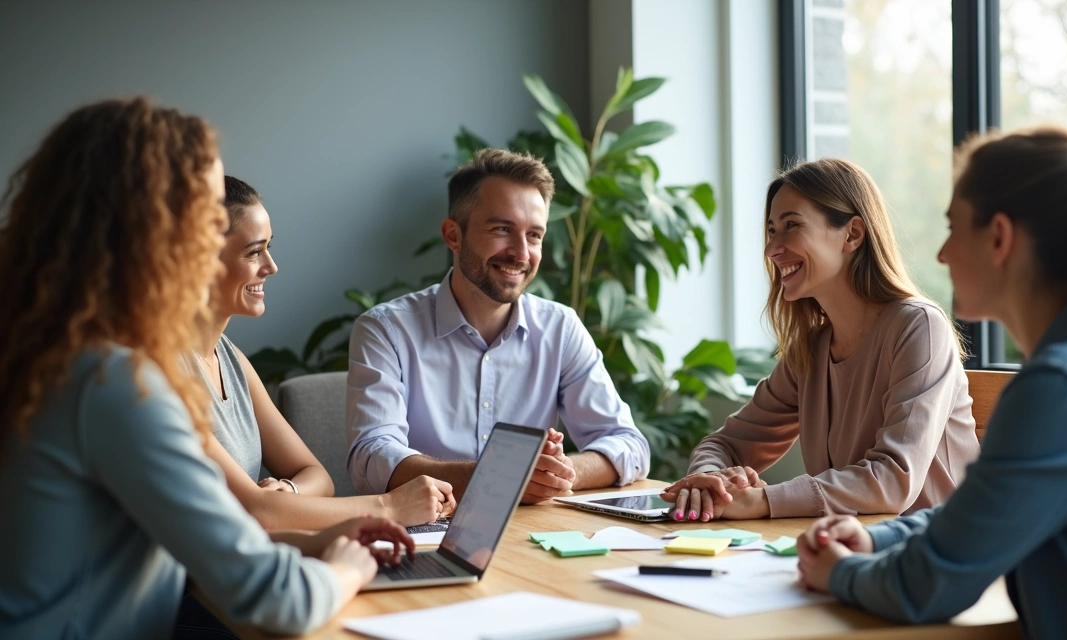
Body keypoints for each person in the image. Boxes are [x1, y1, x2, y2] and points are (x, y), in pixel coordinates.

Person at [0, 98, 412, 639]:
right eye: (205, 219)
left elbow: (190, 549)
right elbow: (274, 600)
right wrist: (349, 568)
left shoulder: (48, 357)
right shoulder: (114, 383)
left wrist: (321, 540)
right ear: (154, 232)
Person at [797, 128, 1067, 637]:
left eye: (954, 228)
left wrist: (838, 573)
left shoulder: (1063, 389)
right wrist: (880, 541)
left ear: (999, 237)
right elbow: (989, 509)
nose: (942, 254)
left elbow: (929, 584)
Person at [661, 158, 979, 522]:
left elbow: (893, 480)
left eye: (791, 226)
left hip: (939, 561)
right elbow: (725, 443)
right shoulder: (811, 350)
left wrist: (762, 502)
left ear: (853, 234)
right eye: (771, 231)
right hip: (849, 551)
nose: (772, 249)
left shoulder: (918, 327)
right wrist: (711, 478)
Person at [346, 148, 650, 502]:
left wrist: (555, 474)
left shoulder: (560, 328)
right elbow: (371, 459)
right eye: (502, 229)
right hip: (426, 533)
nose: (521, 253)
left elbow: (629, 444)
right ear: (453, 236)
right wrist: (497, 475)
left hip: (533, 536)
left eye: (534, 235)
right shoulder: (386, 330)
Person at [195, 175, 454, 530]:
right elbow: (257, 512)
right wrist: (391, 507)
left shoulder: (232, 359)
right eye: (254, 251)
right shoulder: (159, 371)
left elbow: (317, 476)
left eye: (269, 248)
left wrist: (286, 490)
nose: (271, 266)